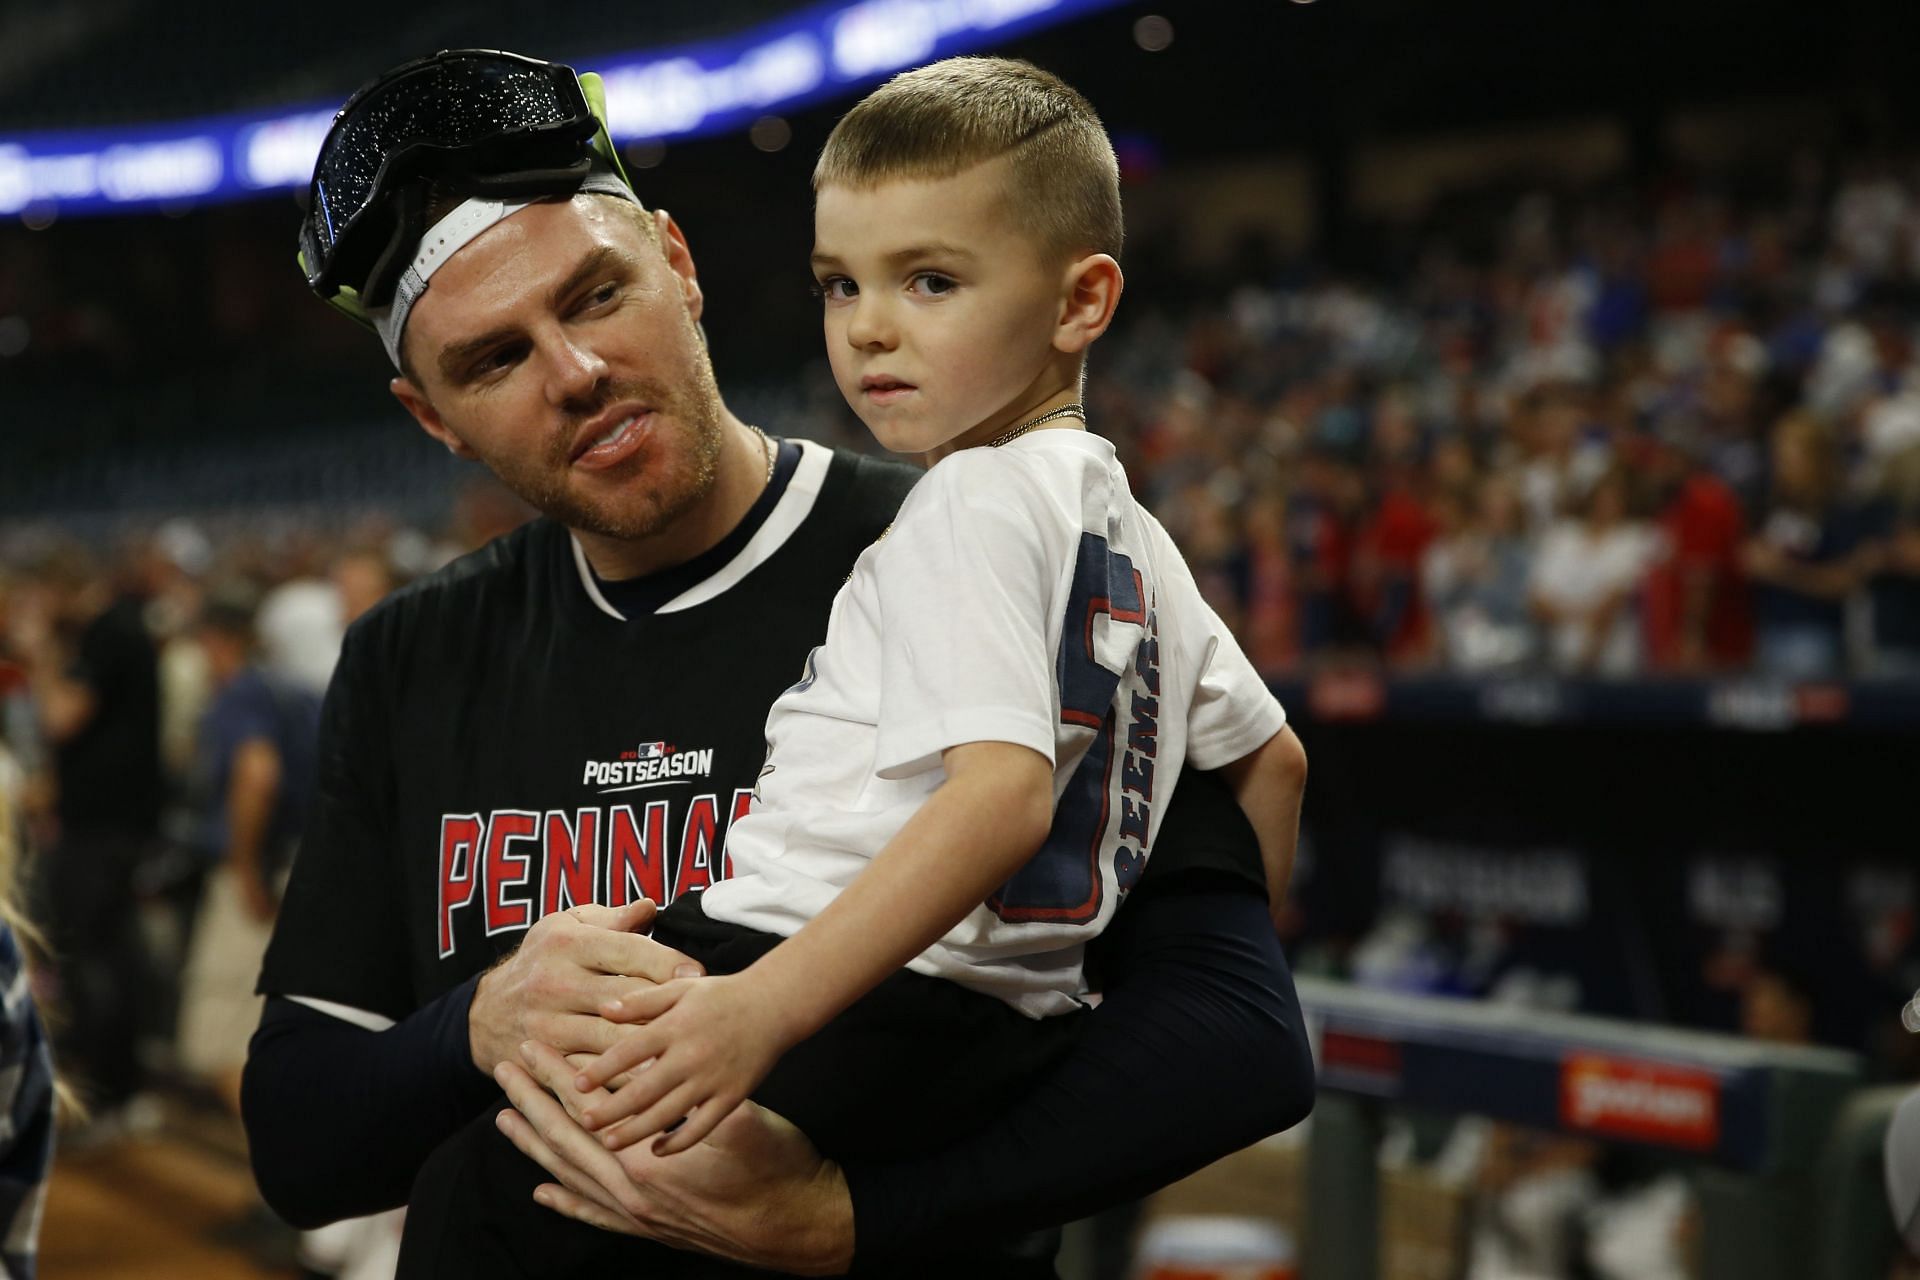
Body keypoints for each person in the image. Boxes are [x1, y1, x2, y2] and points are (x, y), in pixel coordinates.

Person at [244, 48, 1312, 1277]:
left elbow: (1237, 1035)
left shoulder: (951, 535)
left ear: (680, 267)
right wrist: (478, 1026)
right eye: (495, 359)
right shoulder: (409, 653)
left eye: (597, 295)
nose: (577, 374)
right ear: (432, 417)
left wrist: (855, 1220)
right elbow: (300, 1139)